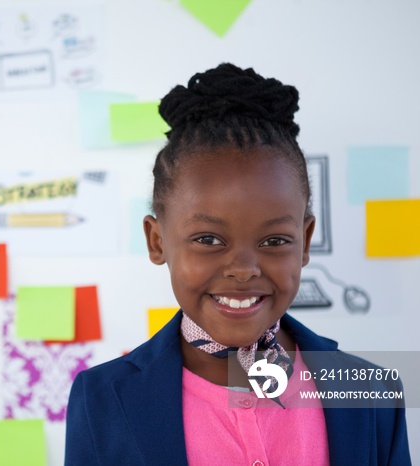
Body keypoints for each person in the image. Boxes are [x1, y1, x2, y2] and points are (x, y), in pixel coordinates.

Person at [64, 63, 411, 466]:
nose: (243, 269)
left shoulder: (372, 393)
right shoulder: (101, 397)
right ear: (156, 241)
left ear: (305, 242)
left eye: (274, 240)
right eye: (208, 240)